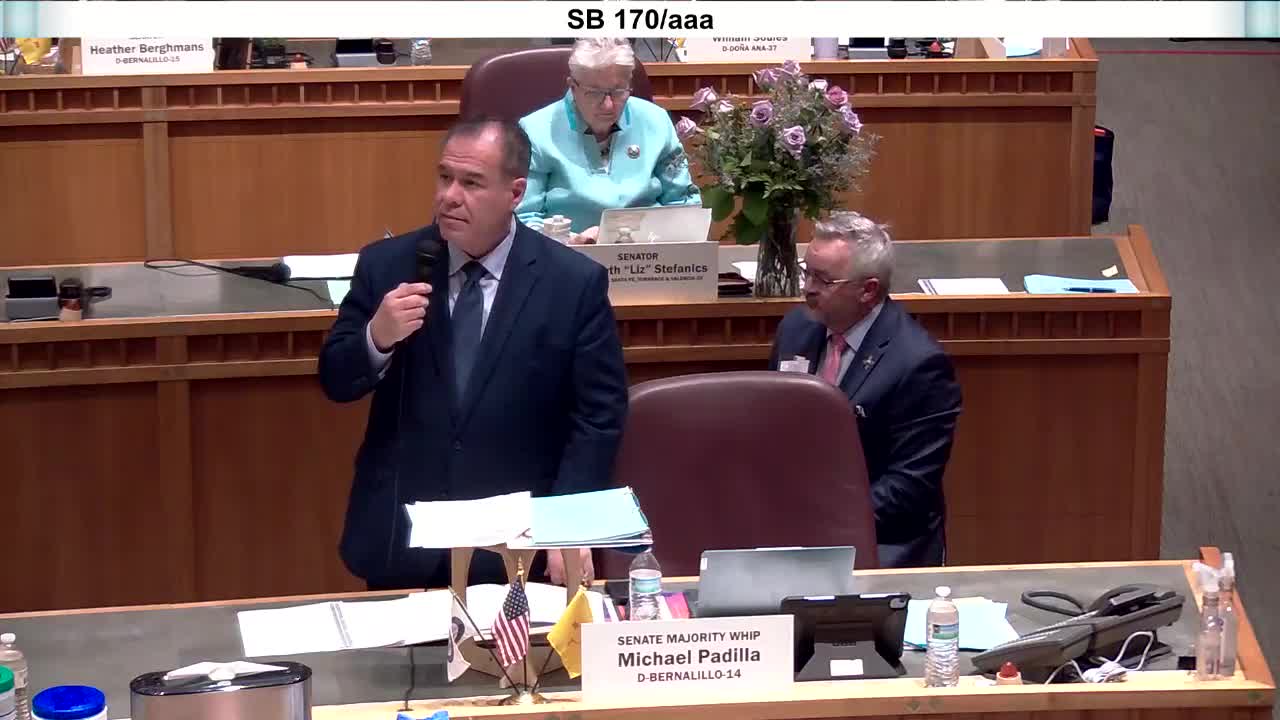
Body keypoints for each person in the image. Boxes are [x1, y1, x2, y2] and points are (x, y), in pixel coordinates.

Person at [318, 117, 629, 590]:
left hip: (516, 544)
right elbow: (336, 381)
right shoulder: (388, 264)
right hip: (401, 539)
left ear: (515, 192)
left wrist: (567, 523)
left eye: (471, 183)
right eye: (445, 177)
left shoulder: (571, 283)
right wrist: (376, 337)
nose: (449, 196)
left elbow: (598, 416)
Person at [768, 212, 962, 568]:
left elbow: (908, 487)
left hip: (880, 539)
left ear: (868, 290)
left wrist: (820, 523)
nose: (808, 288)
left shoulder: (918, 364)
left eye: (823, 280)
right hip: (794, 526)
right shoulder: (796, 328)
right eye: (806, 272)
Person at [516, 38, 701, 244]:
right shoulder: (536, 131)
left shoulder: (656, 121)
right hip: (568, 255)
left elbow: (683, 205)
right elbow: (523, 218)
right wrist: (571, 241)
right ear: (573, 87)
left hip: (649, 253)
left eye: (618, 91)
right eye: (594, 93)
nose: (607, 105)